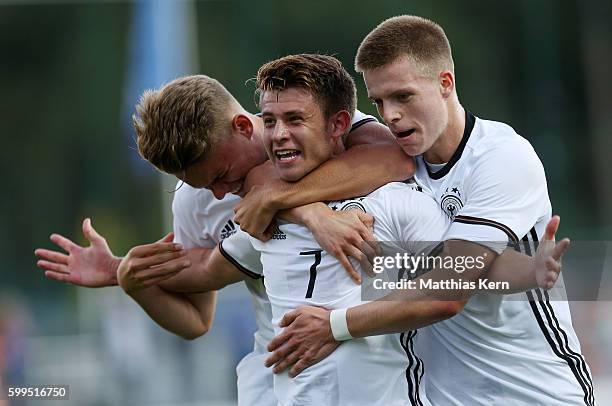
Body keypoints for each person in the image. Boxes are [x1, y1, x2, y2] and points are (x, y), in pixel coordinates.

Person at [251, 17, 592, 405]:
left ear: (445, 84)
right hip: (440, 397)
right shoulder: (395, 151)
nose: (390, 115)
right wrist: (311, 213)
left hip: (529, 393)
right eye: (379, 101)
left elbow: (447, 291)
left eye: (403, 96)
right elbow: (272, 149)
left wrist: (333, 325)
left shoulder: (501, 158)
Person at [34, 73, 409, 406]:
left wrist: (281, 199)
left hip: (377, 359)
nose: (219, 194)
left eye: (222, 175)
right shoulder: (193, 200)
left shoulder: (309, 122)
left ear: (244, 126)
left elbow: (395, 159)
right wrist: (126, 277)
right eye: (204, 185)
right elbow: (196, 318)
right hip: (281, 367)